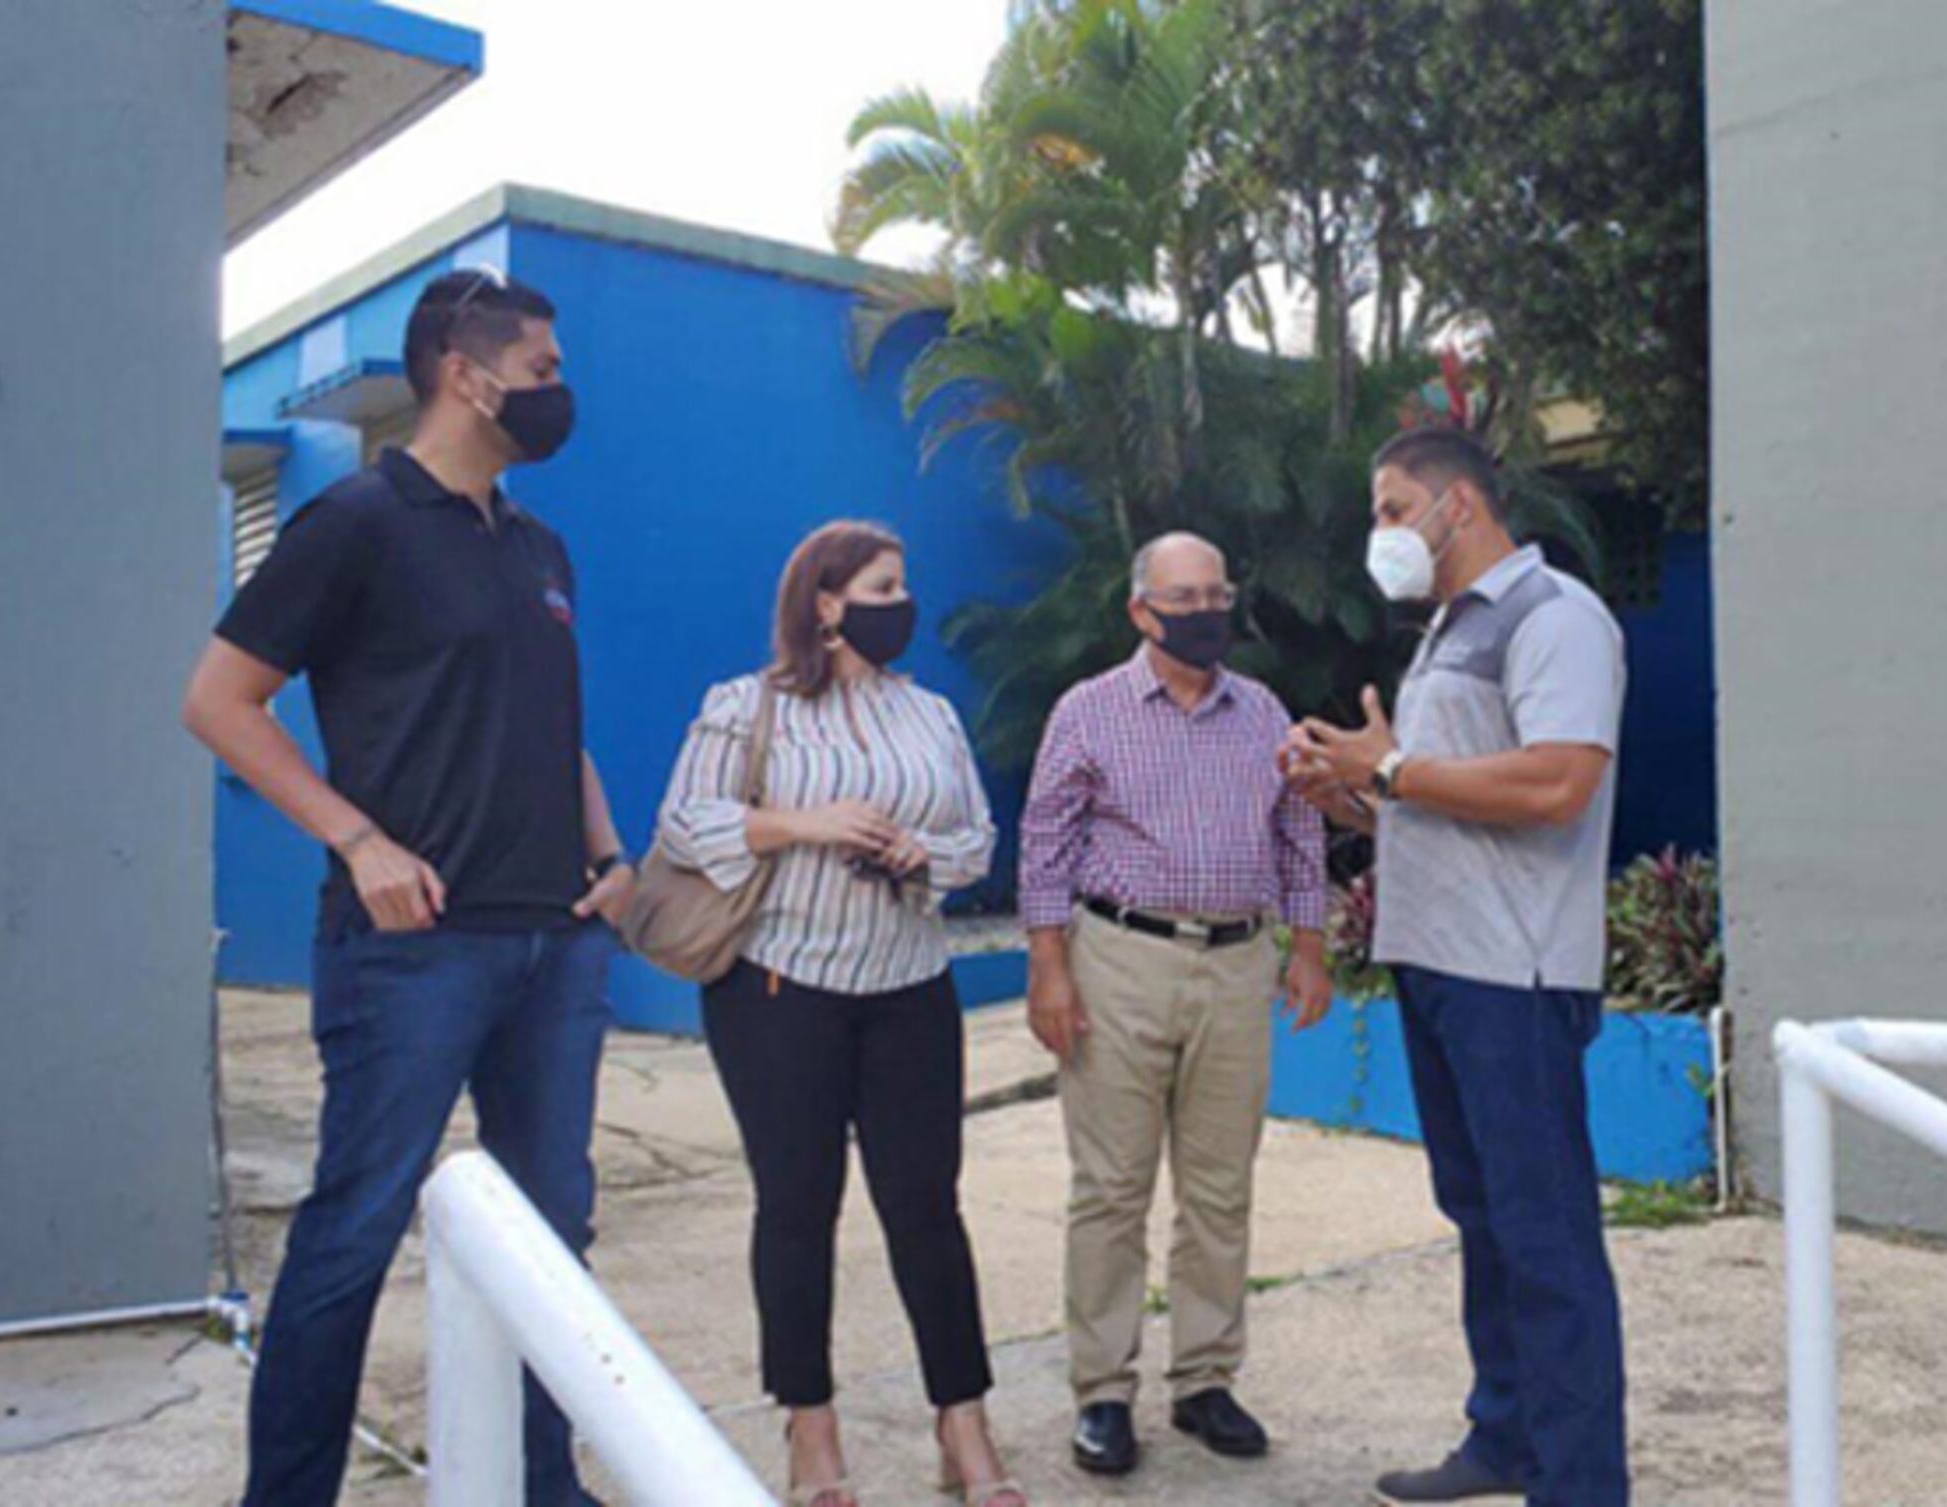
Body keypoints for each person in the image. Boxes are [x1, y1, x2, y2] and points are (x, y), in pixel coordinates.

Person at [183, 268, 632, 1507]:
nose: (557, 392)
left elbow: (556, 724)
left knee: (551, 1242)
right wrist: (356, 840)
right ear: (465, 374)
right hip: (414, 954)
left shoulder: (540, 546)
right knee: (352, 1236)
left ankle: (548, 1489)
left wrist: (612, 857)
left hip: (555, 946)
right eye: (541, 369)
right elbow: (219, 701)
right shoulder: (355, 523)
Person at [1284, 427, 1631, 1507]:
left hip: (1512, 978)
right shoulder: (1443, 630)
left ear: (1458, 507)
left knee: (1546, 1239)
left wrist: (1387, 766)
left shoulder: (1554, 617)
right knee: (1482, 1217)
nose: (1378, 533)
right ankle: (1504, 1436)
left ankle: (1576, 1484)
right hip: (1437, 964)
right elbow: (1441, 795)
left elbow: (1557, 783)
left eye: (1391, 509)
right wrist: (1351, 788)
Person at [654, 521, 1023, 1507]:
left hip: (909, 986)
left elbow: (978, 839)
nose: (898, 604)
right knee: (797, 1209)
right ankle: (810, 1432)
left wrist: (919, 855)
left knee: (927, 1211)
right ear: (825, 602)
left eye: (903, 585)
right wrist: (802, 824)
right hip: (780, 990)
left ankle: (964, 1427)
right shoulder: (746, 706)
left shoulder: (931, 714)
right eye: (880, 586)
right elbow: (684, 823)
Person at [1018, 531, 1334, 1479]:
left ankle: (1204, 1379)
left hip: (1238, 962)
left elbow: (1299, 828)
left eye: (1217, 593)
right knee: (1112, 1186)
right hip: (1120, 955)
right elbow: (1046, 839)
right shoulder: (1090, 711)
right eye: (1183, 597)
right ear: (1141, 611)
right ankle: (1103, 1392)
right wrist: (1049, 968)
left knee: (1219, 1184)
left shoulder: (1263, 709)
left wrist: (1308, 946)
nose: (1205, 612)